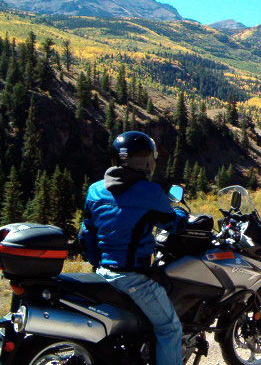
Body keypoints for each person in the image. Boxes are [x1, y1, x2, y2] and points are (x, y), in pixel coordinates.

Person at [79, 131, 188, 365]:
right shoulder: (149, 193)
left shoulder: (95, 190)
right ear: (146, 161)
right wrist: (181, 212)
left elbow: (86, 232)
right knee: (169, 328)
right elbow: (173, 224)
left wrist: (96, 261)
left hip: (100, 275)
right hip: (132, 279)